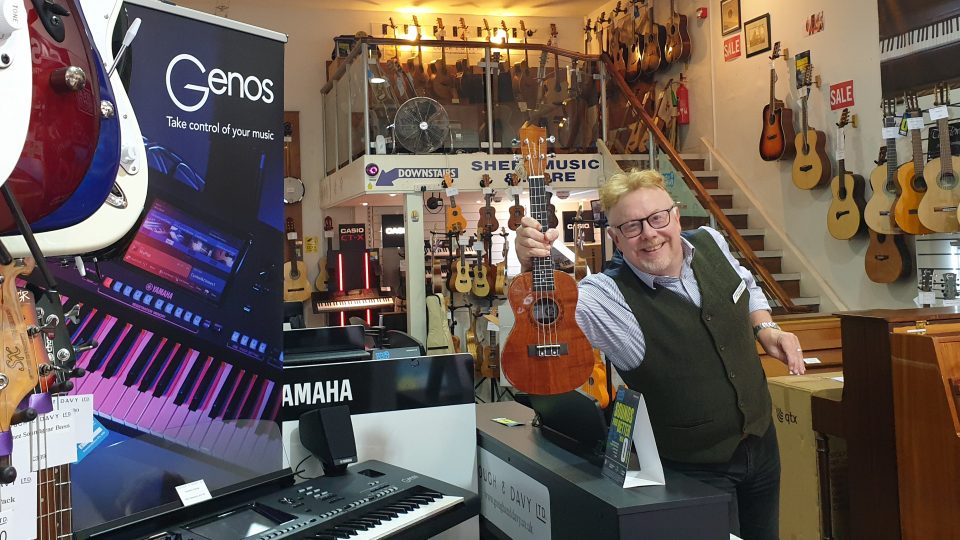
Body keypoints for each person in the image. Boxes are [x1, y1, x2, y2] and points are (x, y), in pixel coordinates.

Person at [514, 169, 805, 540]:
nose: (649, 234)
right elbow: (541, 330)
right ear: (615, 238)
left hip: (762, 445)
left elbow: (746, 284)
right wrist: (530, 271)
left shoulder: (711, 242)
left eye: (657, 218)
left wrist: (766, 328)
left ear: (676, 215)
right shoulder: (603, 296)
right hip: (691, 470)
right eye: (632, 227)